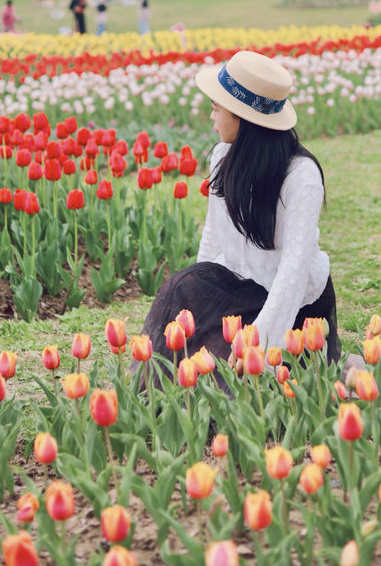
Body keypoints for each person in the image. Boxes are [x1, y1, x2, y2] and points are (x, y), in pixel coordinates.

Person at [139, 49, 342, 377]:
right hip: (238, 289)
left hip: (293, 306)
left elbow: (293, 270)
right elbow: (213, 236)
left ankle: (343, 370)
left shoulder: (301, 175)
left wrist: (258, 339)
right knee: (182, 289)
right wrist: (198, 307)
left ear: (243, 118)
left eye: (216, 109)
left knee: (239, 384)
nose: (211, 117)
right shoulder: (223, 156)